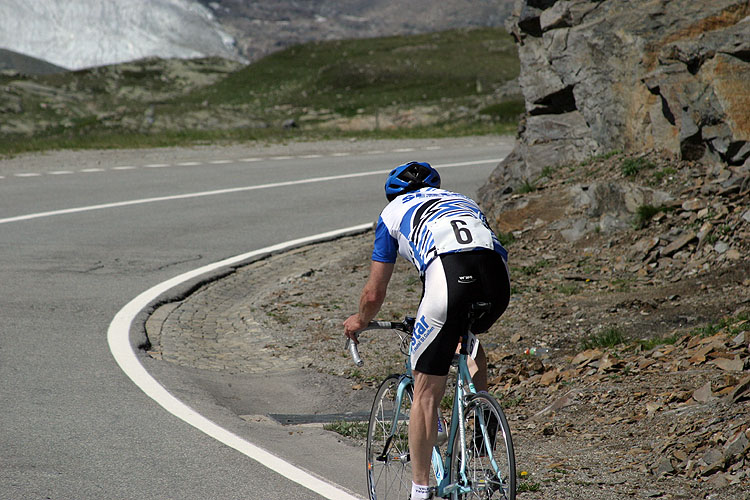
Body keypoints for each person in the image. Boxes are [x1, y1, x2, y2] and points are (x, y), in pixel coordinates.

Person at [343, 161, 511, 500]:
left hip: (448, 278)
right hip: (497, 279)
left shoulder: (391, 214)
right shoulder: (463, 200)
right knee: (468, 340)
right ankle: (479, 427)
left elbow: (375, 292)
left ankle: (420, 490)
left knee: (426, 394)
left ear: (392, 193)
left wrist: (360, 320)